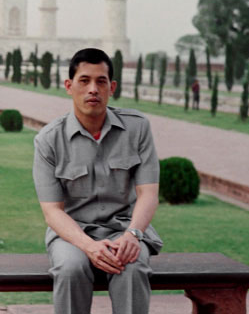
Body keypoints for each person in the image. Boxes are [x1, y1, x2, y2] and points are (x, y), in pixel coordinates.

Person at [32, 48, 163, 314]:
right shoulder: (49, 139)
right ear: (69, 86)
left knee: (132, 266)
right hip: (72, 234)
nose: (93, 89)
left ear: (111, 87)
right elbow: (52, 210)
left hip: (125, 229)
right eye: (84, 81)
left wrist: (133, 234)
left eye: (101, 81)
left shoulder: (137, 128)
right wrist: (89, 246)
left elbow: (148, 193)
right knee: (70, 269)